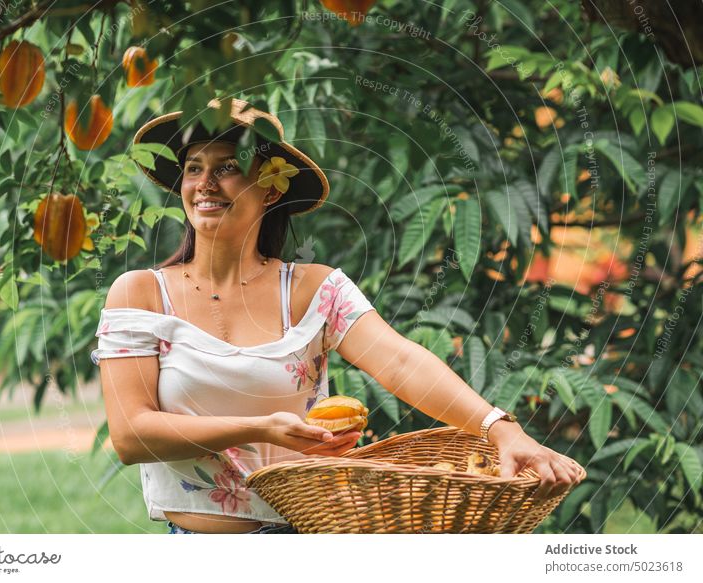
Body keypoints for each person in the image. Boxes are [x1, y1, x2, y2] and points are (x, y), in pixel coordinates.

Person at [91, 98, 583, 534]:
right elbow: (132, 434)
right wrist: (264, 427)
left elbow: (402, 363)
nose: (205, 184)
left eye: (227, 167)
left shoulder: (314, 289)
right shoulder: (139, 294)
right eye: (194, 168)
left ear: (270, 189)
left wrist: (501, 429)